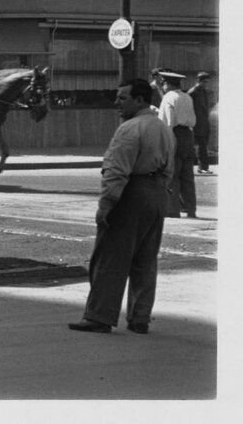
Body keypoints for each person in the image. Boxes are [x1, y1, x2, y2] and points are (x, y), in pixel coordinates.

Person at [69, 78, 174, 334]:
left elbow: (116, 172)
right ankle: (140, 317)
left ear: (139, 99)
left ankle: (99, 316)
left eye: (122, 98)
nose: (117, 102)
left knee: (110, 258)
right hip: (157, 194)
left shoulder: (129, 129)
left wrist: (105, 206)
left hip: (131, 194)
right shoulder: (163, 128)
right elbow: (171, 167)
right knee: (145, 260)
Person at [154, 69, 197, 218]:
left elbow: (168, 122)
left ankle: (172, 209)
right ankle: (191, 209)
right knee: (188, 176)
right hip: (188, 135)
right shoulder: (187, 97)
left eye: (164, 83)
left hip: (174, 135)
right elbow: (191, 119)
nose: (163, 86)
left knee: (172, 174)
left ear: (168, 84)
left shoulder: (168, 98)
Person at [188, 71, 214, 174]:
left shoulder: (204, 92)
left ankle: (203, 167)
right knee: (201, 146)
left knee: (203, 146)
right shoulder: (192, 92)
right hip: (197, 123)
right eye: (204, 82)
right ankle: (203, 167)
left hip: (204, 123)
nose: (206, 84)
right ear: (198, 81)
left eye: (207, 82)